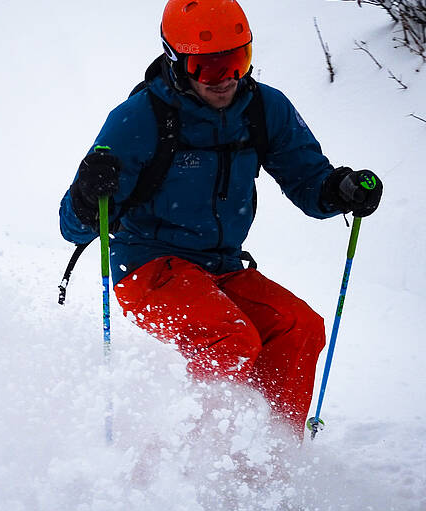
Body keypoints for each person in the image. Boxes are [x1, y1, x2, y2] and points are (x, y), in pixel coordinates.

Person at [59, 0, 382, 434]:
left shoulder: (264, 110)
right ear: (177, 61)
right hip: (147, 268)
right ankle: (198, 457)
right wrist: (87, 192)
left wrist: (338, 189)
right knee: (231, 338)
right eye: (208, 68)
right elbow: (73, 225)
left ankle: (275, 457)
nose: (226, 79)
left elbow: (309, 182)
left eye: (238, 61)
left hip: (223, 266)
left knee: (299, 326)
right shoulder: (139, 119)